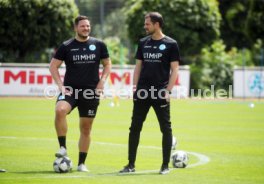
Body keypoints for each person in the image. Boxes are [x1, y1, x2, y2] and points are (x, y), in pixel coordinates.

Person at [119, 12, 180, 175]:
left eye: (147, 24)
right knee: (134, 128)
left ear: (157, 24)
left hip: (160, 92)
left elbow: (175, 69)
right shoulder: (142, 42)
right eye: (145, 24)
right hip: (142, 92)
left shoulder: (171, 44)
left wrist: (168, 91)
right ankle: (130, 165)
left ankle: (165, 166)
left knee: (165, 128)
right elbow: (138, 67)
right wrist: (134, 88)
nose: (145, 26)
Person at [49, 15, 111, 172]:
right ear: (75, 28)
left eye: (88, 26)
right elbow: (53, 66)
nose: (86, 28)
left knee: (86, 129)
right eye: (83, 26)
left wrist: (102, 82)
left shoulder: (98, 44)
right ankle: (62, 147)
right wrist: (60, 86)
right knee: (60, 110)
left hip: (90, 93)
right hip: (70, 90)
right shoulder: (66, 46)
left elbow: (107, 64)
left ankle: (81, 164)